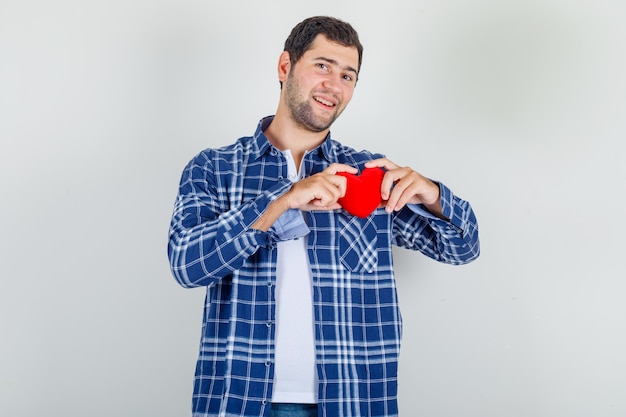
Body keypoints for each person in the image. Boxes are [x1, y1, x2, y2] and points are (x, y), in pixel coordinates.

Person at [168, 15, 480, 417]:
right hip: (239, 401)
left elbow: (463, 247)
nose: (334, 85)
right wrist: (282, 200)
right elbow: (186, 265)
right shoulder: (215, 168)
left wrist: (432, 194)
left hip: (353, 403)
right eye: (322, 66)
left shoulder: (369, 176)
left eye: (348, 75)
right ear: (285, 67)